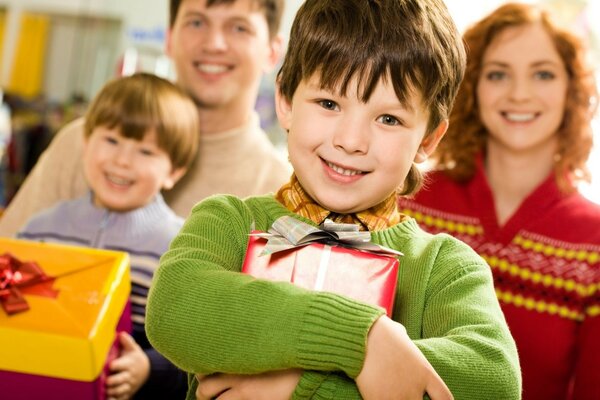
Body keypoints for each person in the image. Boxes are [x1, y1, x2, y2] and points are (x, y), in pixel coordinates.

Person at [145, 1, 522, 399]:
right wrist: (362, 340)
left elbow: (492, 381)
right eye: (329, 103)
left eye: (388, 119)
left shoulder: (446, 269)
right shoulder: (227, 221)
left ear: (428, 140)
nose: (350, 140)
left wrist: (303, 386)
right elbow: (174, 309)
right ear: (286, 101)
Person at [397, 3, 600, 400]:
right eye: (498, 74)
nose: (519, 94)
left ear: (571, 90)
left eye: (543, 74)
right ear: (471, 86)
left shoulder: (595, 243)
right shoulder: (407, 197)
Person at [0, 0, 292, 237]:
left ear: (272, 51)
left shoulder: (279, 191)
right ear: (169, 38)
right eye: (196, 22)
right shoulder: (84, 142)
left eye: (239, 28)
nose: (214, 43)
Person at [17, 72, 199, 400]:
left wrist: (148, 366)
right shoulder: (39, 230)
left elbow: (194, 348)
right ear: (86, 142)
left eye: (145, 151)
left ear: (173, 172)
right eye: (111, 140)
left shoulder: (182, 248)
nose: (122, 160)